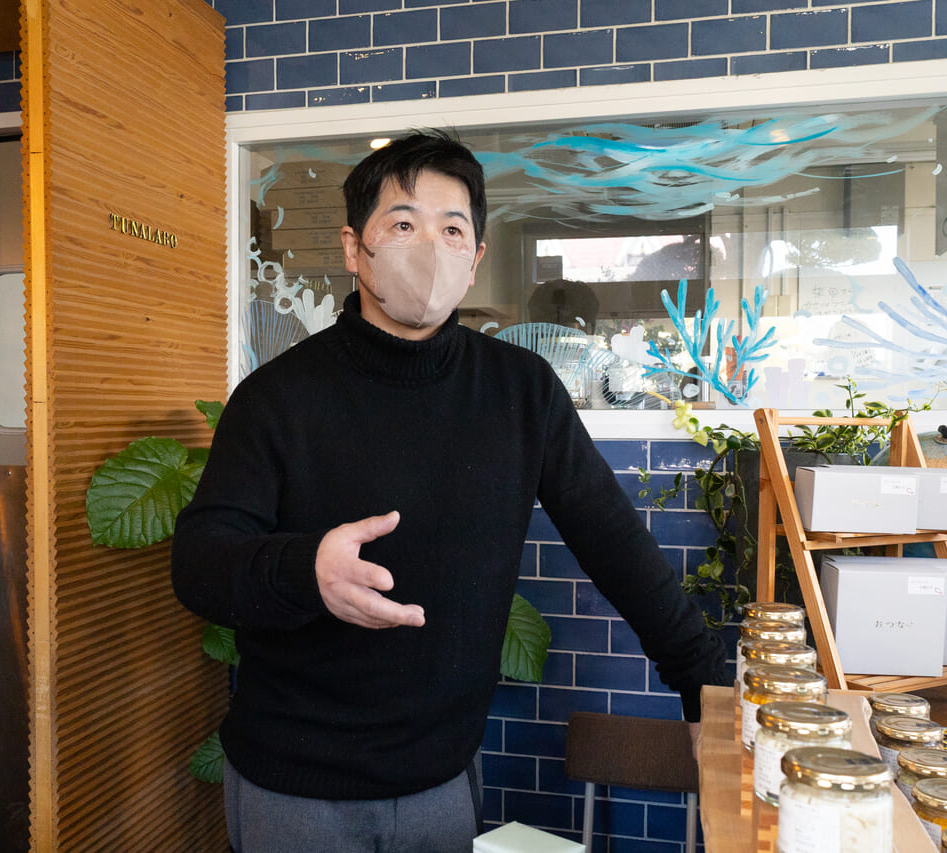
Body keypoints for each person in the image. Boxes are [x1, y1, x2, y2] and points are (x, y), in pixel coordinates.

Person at [170, 129, 729, 852]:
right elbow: (200, 563)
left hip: (442, 782)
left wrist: (705, 686)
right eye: (403, 224)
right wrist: (305, 570)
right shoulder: (276, 397)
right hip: (296, 789)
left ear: (475, 260)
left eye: (452, 228)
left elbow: (616, 543)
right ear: (354, 249)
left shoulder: (520, 391)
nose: (431, 246)